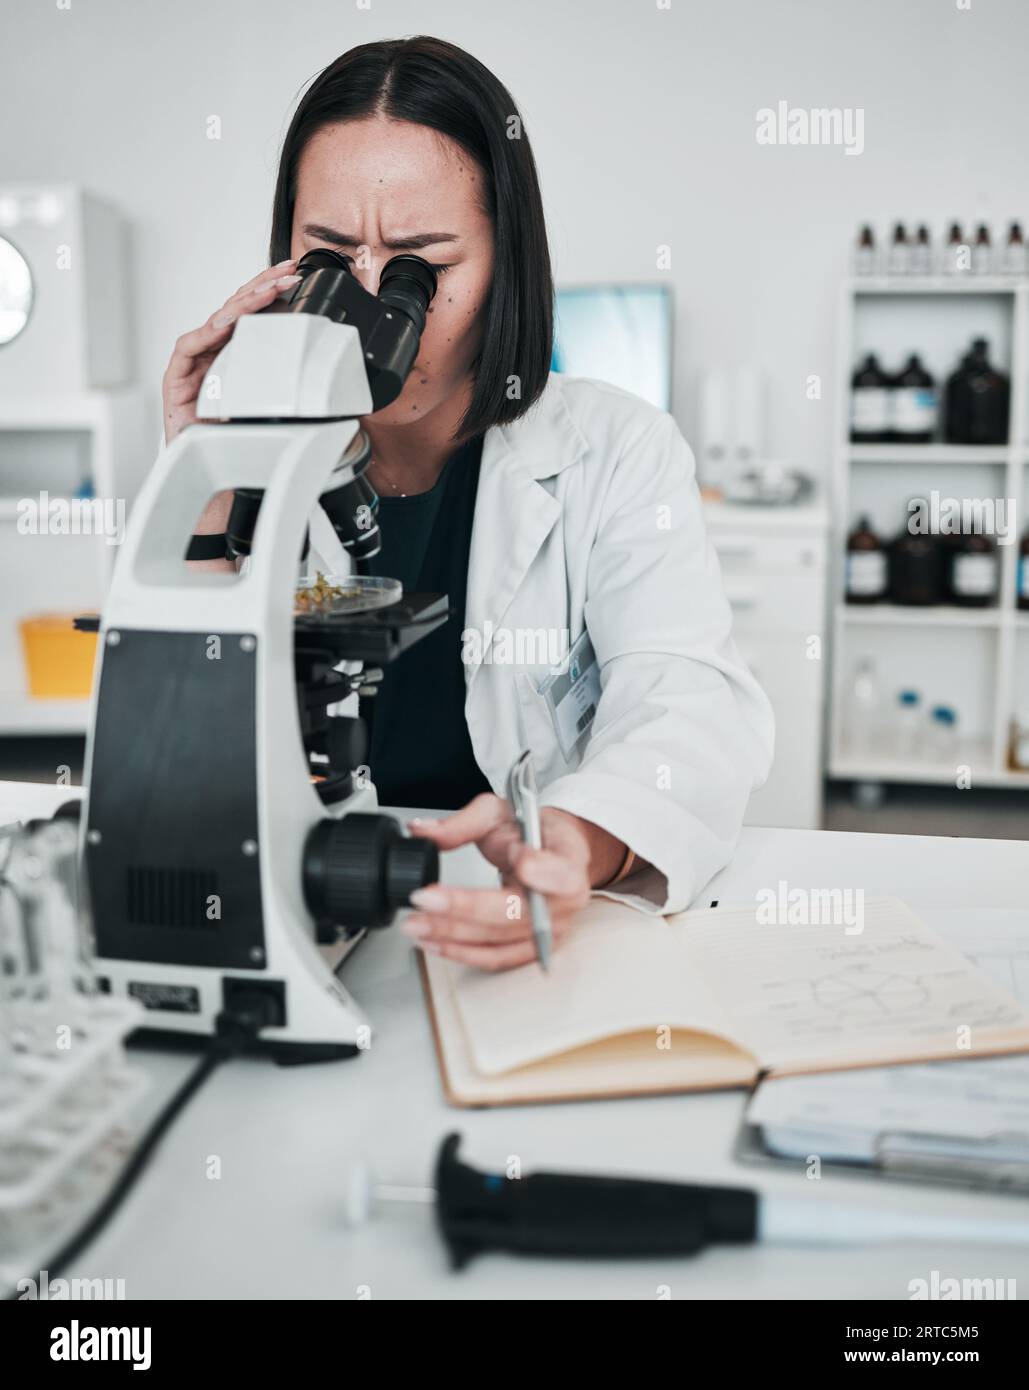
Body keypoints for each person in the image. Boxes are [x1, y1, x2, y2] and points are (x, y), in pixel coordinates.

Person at [161, 35, 774, 971]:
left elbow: (686, 705)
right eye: (329, 256)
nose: (370, 306)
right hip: (301, 902)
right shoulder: (248, 452)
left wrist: (575, 840)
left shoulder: (614, 450)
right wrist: (199, 484)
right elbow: (178, 745)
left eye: (419, 268)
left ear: (504, 265)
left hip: (503, 913)